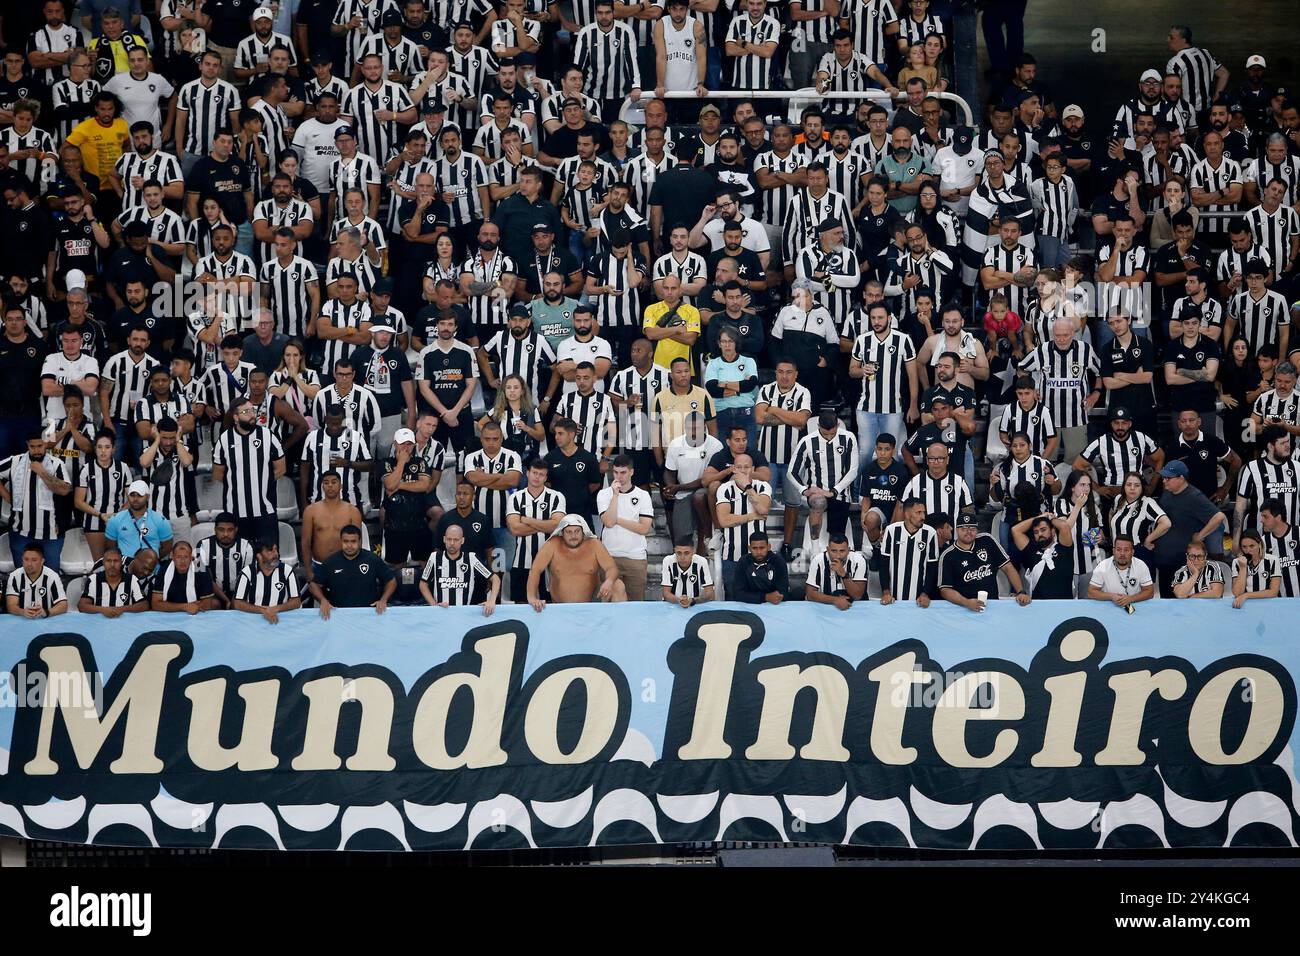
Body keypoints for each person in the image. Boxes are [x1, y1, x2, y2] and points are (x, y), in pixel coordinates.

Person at [0, 431, 72, 571]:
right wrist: (8, 497)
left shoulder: (56, 464)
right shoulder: (15, 461)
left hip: (51, 534)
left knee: (50, 577)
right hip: (20, 531)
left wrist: (42, 472)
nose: (37, 450)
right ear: (27, 445)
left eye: (40, 446)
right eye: (32, 446)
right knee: (23, 578)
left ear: (46, 443)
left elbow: (64, 490)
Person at [527, 514, 627, 609]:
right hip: (560, 606)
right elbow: (535, 570)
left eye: (577, 531)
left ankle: (618, 625)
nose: (573, 536)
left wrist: (609, 581)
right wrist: (532, 597)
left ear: (583, 532)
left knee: (618, 585)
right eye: (569, 532)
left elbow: (611, 568)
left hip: (591, 604)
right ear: (562, 532)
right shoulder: (552, 545)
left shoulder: (594, 544)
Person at [938, 512, 1030, 611]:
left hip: (992, 606)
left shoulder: (986, 540)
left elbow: (1008, 567)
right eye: (964, 529)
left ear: (977, 529)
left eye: (972, 529)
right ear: (957, 530)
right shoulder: (948, 555)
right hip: (964, 609)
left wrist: (1020, 591)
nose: (968, 532)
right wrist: (966, 602)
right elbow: (945, 589)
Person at [505, 457, 566, 602]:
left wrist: (527, 520)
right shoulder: (515, 498)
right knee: (521, 606)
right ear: (528, 473)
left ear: (546, 477)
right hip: (521, 562)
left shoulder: (556, 497)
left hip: (550, 562)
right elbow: (515, 529)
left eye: (541, 474)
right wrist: (545, 525)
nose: (537, 477)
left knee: (550, 605)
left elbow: (557, 525)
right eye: (534, 473)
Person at [596, 455, 654, 601]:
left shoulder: (643, 495)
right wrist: (615, 496)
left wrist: (618, 519)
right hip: (609, 557)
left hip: (635, 557)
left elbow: (644, 528)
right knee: (612, 601)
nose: (619, 477)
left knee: (635, 605)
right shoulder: (604, 494)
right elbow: (609, 522)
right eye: (615, 472)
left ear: (631, 472)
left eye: (623, 473)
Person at [308, 523, 396, 619]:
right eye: (346, 541)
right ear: (340, 541)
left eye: (353, 541)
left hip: (369, 614)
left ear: (359, 541)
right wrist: (323, 600)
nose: (349, 545)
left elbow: (391, 581)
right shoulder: (331, 562)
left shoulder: (372, 559)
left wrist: (383, 600)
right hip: (339, 615)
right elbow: (313, 585)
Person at [419, 523, 500, 613]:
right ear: (444, 539)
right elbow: (423, 584)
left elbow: (495, 579)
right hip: (441, 614)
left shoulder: (471, 558)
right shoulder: (434, 557)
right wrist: (434, 605)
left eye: (456, 540)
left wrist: (492, 601)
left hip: (463, 614)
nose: (452, 543)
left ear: (462, 540)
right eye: (449, 539)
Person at [301, 471, 365, 582]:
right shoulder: (310, 511)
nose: (330, 485)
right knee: (319, 599)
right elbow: (305, 542)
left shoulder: (352, 511)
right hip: (319, 565)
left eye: (334, 482)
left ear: (341, 486)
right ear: (322, 486)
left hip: (345, 565)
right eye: (326, 483)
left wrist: (353, 567)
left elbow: (357, 543)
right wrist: (308, 570)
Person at [877, 497, 937, 607]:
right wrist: (886, 592)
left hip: (919, 600)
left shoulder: (930, 533)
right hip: (894, 599)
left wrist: (925, 594)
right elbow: (884, 564)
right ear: (907, 514)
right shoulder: (891, 530)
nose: (923, 517)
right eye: (918, 513)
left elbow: (932, 567)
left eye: (924, 512)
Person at [232, 539, 303, 623]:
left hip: (281, 619)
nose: (275, 554)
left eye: (276, 549)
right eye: (270, 551)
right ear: (259, 556)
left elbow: (296, 601)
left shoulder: (287, 571)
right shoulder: (247, 572)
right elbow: (237, 603)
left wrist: (275, 609)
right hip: (252, 620)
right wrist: (262, 611)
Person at [195, 512, 255, 609]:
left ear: (236, 530)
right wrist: (226, 600)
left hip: (239, 594)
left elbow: (248, 577)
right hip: (211, 594)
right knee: (214, 604)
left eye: (230, 530)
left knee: (239, 604)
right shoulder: (201, 545)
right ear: (215, 529)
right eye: (221, 530)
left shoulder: (247, 546)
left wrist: (233, 600)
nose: (225, 534)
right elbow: (203, 577)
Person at [105, 478, 174, 559]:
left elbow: (167, 547)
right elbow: (111, 548)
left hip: (151, 569)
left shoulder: (160, 520)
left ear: (148, 497)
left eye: (140, 495)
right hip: (125, 569)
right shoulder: (115, 520)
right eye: (132, 495)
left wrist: (152, 560)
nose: (135, 499)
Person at [1087, 533, 1155, 609]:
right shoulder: (1102, 566)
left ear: (1132, 552)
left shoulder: (1141, 565)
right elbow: (1091, 592)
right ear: (1113, 550)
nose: (1122, 553)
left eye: (1126, 550)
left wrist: (1131, 598)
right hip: (1108, 607)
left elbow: (1150, 592)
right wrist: (1111, 596)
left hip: (1135, 606)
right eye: (1118, 549)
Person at [78, 545, 149, 616]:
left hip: (125, 625)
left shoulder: (132, 580)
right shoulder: (93, 580)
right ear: (103, 562)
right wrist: (103, 610)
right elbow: (82, 606)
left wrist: (122, 609)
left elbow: (144, 605)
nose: (112, 565)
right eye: (108, 561)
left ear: (121, 563)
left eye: (116, 561)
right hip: (99, 625)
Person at [805, 532, 869, 611]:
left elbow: (857, 595)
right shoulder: (818, 560)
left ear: (848, 550)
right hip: (825, 609)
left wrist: (844, 575)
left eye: (842, 551)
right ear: (828, 550)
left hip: (855, 609)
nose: (838, 556)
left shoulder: (859, 560)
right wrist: (835, 600)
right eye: (834, 551)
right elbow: (810, 594)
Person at [151, 539, 218, 613]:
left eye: (186, 557)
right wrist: (184, 606)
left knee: (215, 603)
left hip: (194, 614)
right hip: (174, 613)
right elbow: (155, 604)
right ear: (172, 557)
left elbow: (206, 605)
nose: (182, 561)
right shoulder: (164, 569)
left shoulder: (201, 569)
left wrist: (168, 606)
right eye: (179, 557)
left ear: (191, 557)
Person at [5, 542, 69, 618]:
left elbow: (63, 605)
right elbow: (11, 606)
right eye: (26, 559)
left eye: (34, 560)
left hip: (46, 622)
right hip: (22, 620)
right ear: (22, 559)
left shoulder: (52, 576)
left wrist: (46, 612)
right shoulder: (14, 576)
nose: (29, 564)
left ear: (42, 561)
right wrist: (22, 611)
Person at [731, 532, 789, 605]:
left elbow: (783, 593)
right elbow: (738, 594)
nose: (758, 552)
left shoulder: (778, 562)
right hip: (749, 606)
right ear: (749, 548)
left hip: (774, 606)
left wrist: (755, 597)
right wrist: (765, 597)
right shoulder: (744, 562)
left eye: (762, 548)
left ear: (769, 547)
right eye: (754, 548)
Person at [1231, 529, 1281, 608]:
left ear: (1260, 544)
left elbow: (1273, 592)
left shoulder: (1272, 560)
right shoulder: (1237, 562)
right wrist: (1243, 568)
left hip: (1268, 606)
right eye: (1244, 547)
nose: (1248, 551)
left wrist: (1246, 595)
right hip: (1245, 606)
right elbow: (1237, 593)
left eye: (1252, 546)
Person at [660, 538, 714, 608]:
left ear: (693, 551)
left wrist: (692, 600)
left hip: (695, 605)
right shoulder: (668, 561)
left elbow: (710, 593)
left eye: (686, 553)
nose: (682, 557)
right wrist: (679, 600)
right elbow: (666, 593)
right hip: (672, 605)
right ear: (674, 551)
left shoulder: (701, 562)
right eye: (679, 553)